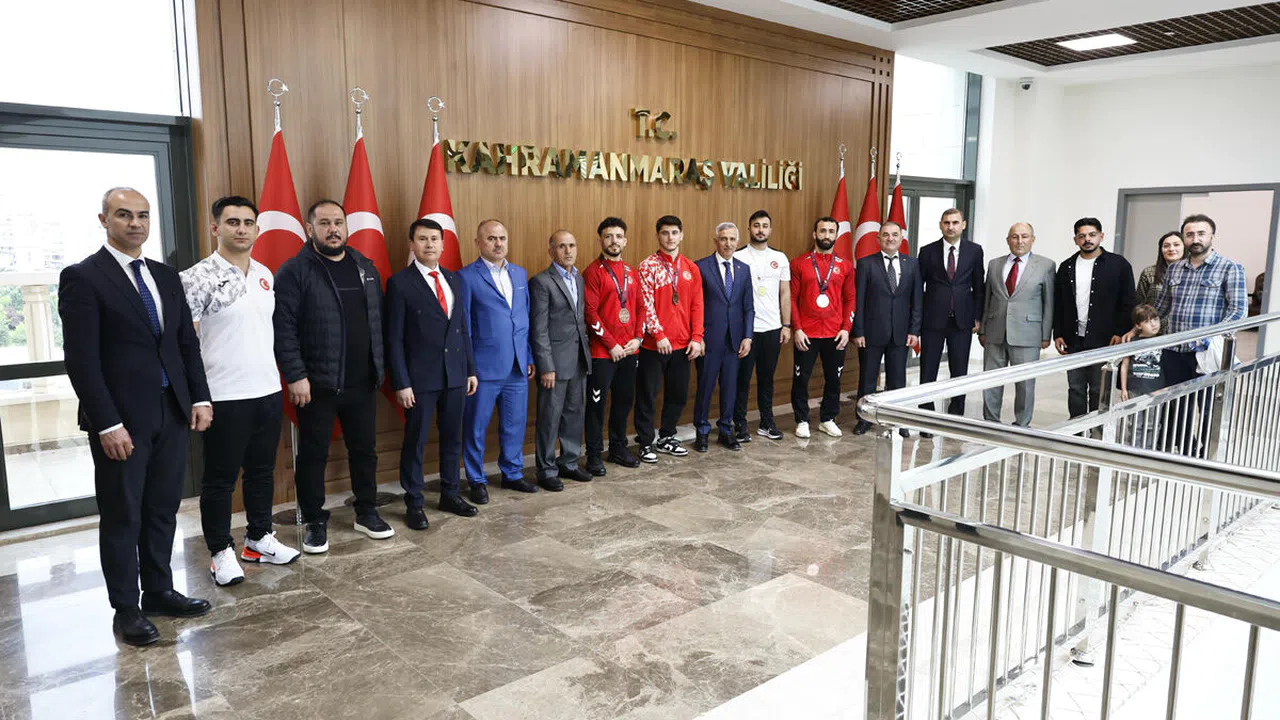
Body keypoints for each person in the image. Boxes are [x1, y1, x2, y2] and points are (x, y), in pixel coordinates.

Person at [60, 187, 213, 646]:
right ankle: (126, 607)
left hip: (172, 412)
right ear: (103, 220)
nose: (135, 223)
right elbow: (81, 360)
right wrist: (107, 423)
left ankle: (159, 591)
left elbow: (185, 344)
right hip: (121, 421)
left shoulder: (165, 276)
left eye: (143, 215)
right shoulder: (83, 277)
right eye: (124, 214)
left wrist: (200, 398)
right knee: (123, 514)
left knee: (162, 508)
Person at [180, 195, 298, 587]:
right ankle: (220, 551)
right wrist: (198, 396)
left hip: (266, 390)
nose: (242, 229)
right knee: (220, 479)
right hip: (222, 395)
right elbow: (185, 344)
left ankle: (258, 539)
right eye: (233, 222)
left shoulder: (265, 274)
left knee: (262, 472)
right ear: (215, 227)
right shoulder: (196, 278)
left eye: (248, 222)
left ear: (257, 229)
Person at [274, 199, 392, 555]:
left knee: (365, 451)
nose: (333, 229)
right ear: (310, 229)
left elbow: (377, 322)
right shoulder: (294, 271)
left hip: (362, 381)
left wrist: (380, 368)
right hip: (317, 385)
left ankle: (366, 512)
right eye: (324, 223)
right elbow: (283, 329)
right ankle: (314, 520)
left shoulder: (364, 266)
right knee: (313, 456)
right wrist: (295, 375)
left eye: (338, 222)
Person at [385, 218, 479, 531]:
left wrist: (470, 369)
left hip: (455, 375)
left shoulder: (454, 279)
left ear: (443, 244)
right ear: (412, 244)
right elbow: (394, 339)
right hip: (419, 380)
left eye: (434, 239)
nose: (429, 244)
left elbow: (462, 328)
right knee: (416, 441)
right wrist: (401, 382)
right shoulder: (400, 283)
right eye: (423, 239)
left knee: (453, 437)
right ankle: (414, 502)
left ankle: (450, 494)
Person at [458, 219, 537, 499]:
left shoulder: (519, 274)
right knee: (475, 427)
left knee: (514, 424)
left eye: (502, 238)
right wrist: (469, 367)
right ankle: (476, 479)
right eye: (491, 238)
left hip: (518, 365)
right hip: (483, 369)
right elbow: (464, 327)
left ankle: (512, 474)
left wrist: (528, 355)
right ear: (478, 242)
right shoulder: (466, 277)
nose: (498, 243)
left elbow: (524, 319)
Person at [1154, 214, 1246, 451]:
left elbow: (1238, 311)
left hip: (1206, 353)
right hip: (1174, 351)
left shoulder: (1229, 268)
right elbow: (1161, 308)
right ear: (1184, 238)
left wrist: (1211, 338)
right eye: (1190, 234)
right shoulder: (1175, 269)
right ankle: (1186, 450)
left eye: (1201, 233)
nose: (1195, 239)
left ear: (1212, 236)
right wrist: (1136, 329)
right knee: (1176, 406)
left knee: (1207, 407)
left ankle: (1207, 454)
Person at [635, 215, 705, 462]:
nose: (670, 237)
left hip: (683, 345)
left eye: (674, 232)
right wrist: (659, 334)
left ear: (681, 235)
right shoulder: (648, 266)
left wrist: (697, 337)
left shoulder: (690, 268)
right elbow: (645, 304)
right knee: (648, 395)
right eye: (665, 233)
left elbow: (697, 304)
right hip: (653, 346)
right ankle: (645, 442)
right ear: (658, 236)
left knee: (678, 394)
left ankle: (667, 437)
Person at [1052, 217, 1136, 418]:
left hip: (1105, 339)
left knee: (1100, 389)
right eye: (1082, 236)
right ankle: (1077, 430)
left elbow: (1128, 302)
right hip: (1074, 339)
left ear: (1101, 236)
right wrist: (1058, 333)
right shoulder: (1066, 266)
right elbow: (1059, 303)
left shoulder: (1119, 265)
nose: (1087, 240)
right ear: (1075, 239)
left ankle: (1097, 430)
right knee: (1076, 389)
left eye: (1092, 235)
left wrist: (1120, 332)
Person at [530, 230, 593, 489]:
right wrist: (546, 366)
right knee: (550, 417)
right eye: (562, 246)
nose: (568, 251)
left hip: (578, 359)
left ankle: (569, 462)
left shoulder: (578, 278)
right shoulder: (541, 282)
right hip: (554, 364)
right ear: (551, 251)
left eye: (572, 245)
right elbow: (539, 329)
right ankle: (546, 470)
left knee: (575, 414)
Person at [583, 217, 644, 474]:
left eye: (618, 236)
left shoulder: (632, 272)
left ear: (625, 241)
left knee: (623, 401)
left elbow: (641, 308)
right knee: (596, 405)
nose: (614, 241)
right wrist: (610, 344)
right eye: (608, 236)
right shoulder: (593, 272)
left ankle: (618, 448)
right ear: (600, 240)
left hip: (630, 350)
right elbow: (590, 313)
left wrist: (638, 338)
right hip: (603, 353)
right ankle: (594, 454)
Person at [980, 222, 1055, 427]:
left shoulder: (1046, 265)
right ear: (1008, 240)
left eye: (1024, 236)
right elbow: (988, 299)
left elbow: (1049, 303)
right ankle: (990, 423)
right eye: (1014, 237)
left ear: (1033, 239)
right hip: (995, 331)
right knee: (991, 381)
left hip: (1027, 333)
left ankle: (1022, 424)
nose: (1019, 241)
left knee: (1025, 384)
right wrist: (983, 329)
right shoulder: (994, 264)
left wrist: (1045, 334)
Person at [853, 222, 923, 435]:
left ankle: (897, 420)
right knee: (867, 378)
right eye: (885, 235)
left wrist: (914, 330)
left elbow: (917, 300)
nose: (890, 238)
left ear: (901, 238)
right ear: (878, 239)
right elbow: (859, 300)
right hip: (871, 333)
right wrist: (858, 331)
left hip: (901, 333)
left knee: (898, 380)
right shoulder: (866, 263)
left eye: (894, 235)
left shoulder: (912, 264)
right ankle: (864, 419)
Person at [789, 216, 855, 438]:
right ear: (814, 234)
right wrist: (797, 329)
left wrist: (846, 328)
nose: (827, 235)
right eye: (823, 230)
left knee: (834, 379)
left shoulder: (845, 266)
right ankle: (802, 420)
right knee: (801, 379)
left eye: (831, 231)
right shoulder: (799, 263)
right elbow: (791, 299)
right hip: (806, 333)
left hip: (835, 333)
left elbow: (850, 299)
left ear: (836, 235)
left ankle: (828, 419)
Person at [916, 209, 983, 424]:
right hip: (932, 320)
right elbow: (918, 288)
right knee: (928, 369)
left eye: (955, 222)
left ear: (963, 224)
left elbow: (979, 287)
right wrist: (918, 318)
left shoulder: (975, 251)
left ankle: (956, 416)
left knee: (959, 370)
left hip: (962, 320)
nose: (951, 226)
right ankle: (926, 415)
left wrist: (977, 316)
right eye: (946, 222)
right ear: (940, 225)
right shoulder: (927, 251)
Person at [693, 222, 754, 452]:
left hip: (734, 341)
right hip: (709, 340)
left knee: (730, 388)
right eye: (723, 239)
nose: (728, 243)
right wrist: (698, 336)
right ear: (716, 241)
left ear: (738, 242)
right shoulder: (701, 267)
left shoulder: (743, 269)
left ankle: (726, 431)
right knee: (705, 387)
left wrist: (748, 336)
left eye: (732, 239)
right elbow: (695, 306)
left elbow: (749, 307)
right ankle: (702, 431)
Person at [732, 210, 791, 442]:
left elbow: (785, 293)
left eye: (765, 226)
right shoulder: (738, 256)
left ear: (770, 229)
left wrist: (786, 325)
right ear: (749, 229)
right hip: (746, 331)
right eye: (756, 225)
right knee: (742, 380)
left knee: (767, 379)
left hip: (773, 329)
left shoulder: (780, 258)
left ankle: (767, 422)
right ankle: (740, 424)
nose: (760, 230)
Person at [1118, 305, 1163, 449]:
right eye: (1147, 321)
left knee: (1153, 423)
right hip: (1135, 388)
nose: (1154, 324)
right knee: (1135, 423)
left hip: (1156, 389)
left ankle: (1149, 451)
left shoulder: (1164, 340)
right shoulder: (1132, 341)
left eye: (1155, 319)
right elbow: (1124, 365)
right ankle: (1134, 450)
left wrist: (1165, 387)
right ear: (1138, 325)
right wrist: (1124, 388)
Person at [1137, 231, 1185, 309]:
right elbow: (1139, 303)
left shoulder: (1192, 272)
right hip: (1154, 316)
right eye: (1166, 246)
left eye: (1176, 245)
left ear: (1184, 247)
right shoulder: (1149, 272)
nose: (1171, 249)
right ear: (1161, 250)